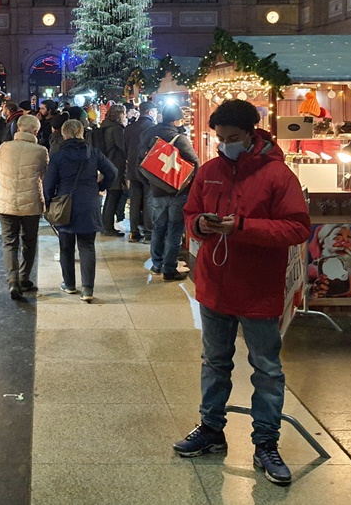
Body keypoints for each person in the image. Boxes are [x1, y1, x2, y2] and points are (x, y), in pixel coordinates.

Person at [174, 99, 311, 486]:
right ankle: (211, 429)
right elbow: (190, 213)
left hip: (258, 290)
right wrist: (200, 223)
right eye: (220, 138)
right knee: (214, 362)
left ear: (251, 134)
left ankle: (266, 442)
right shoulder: (211, 171)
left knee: (266, 369)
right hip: (215, 287)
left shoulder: (277, 175)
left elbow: (298, 229)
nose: (225, 144)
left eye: (233, 138)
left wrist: (243, 227)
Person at [43, 119, 117, 303]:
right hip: (89, 203)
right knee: (87, 246)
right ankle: (88, 289)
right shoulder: (94, 153)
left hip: (65, 204)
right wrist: (100, 186)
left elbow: (48, 183)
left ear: (64, 134)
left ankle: (69, 284)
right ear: (82, 132)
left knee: (66, 246)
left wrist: (49, 202)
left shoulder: (58, 156)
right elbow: (113, 172)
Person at [0, 114, 49, 300]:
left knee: (9, 242)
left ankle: (12, 280)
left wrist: (4, 176)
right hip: (31, 203)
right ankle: (24, 278)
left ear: (18, 128)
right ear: (36, 131)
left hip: (5, 202)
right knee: (29, 242)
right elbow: (45, 174)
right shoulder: (41, 151)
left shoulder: (5, 147)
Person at [138, 103, 198, 282]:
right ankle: (169, 269)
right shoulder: (179, 138)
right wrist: (193, 186)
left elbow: (139, 163)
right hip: (178, 192)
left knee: (158, 227)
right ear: (177, 119)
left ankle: (156, 263)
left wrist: (150, 184)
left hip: (156, 191)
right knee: (174, 230)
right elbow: (194, 162)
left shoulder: (147, 134)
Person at [125, 100, 157, 243]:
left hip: (132, 169)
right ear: (150, 112)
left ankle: (134, 232)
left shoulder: (130, 127)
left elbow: (125, 147)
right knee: (148, 200)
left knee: (135, 201)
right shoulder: (153, 128)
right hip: (148, 169)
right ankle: (148, 234)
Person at [99, 104, 128, 236]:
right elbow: (124, 147)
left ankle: (105, 225)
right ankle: (108, 227)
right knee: (113, 196)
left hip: (107, 164)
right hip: (116, 165)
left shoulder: (105, 127)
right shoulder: (116, 129)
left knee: (110, 196)